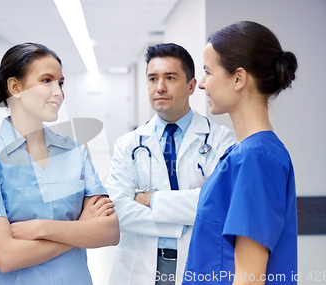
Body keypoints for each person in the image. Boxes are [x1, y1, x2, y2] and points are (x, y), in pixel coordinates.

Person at [0, 43, 120, 285]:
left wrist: (40, 228)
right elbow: (5, 257)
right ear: (15, 87)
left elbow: (109, 232)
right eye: (46, 81)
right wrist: (80, 228)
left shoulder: (74, 151)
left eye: (61, 83)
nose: (58, 92)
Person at [107, 43, 236, 285]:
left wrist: (150, 199)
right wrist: (183, 220)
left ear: (191, 86)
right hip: (141, 267)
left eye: (170, 77)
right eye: (152, 78)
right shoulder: (127, 145)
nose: (160, 87)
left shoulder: (221, 140)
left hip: (196, 261)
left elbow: (218, 205)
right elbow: (119, 212)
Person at [183, 21, 298, 285]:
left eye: (208, 73)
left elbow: (249, 279)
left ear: (238, 78)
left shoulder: (257, 158)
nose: (201, 84)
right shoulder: (243, 153)